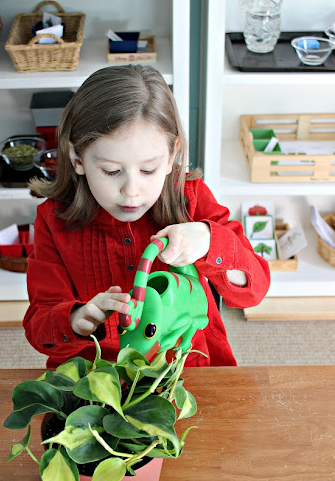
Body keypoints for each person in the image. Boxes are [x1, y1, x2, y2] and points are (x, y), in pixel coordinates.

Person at [23, 65, 270, 368]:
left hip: (186, 366)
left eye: (148, 170)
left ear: (171, 156)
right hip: (96, 374)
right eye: (112, 171)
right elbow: (38, 326)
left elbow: (254, 289)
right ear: (77, 160)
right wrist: (76, 320)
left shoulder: (189, 197)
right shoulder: (53, 218)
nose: (131, 191)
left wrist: (208, 241)